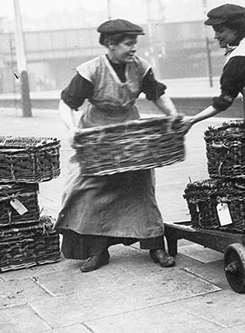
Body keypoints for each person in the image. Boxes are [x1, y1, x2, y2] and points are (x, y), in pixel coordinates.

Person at [56, 18, 178, 272]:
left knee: (141, 187)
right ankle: (97, 251)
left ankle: (155, 245)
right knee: (89, 190)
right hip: (97, 134)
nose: (133, 48)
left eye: (134, 43)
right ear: (111, 44)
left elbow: (157, 94)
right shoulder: (90, 71)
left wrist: (173, 116)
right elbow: (67, 104)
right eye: (128, 43)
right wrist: (73, 130)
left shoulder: (140, 67)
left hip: (129, 132)